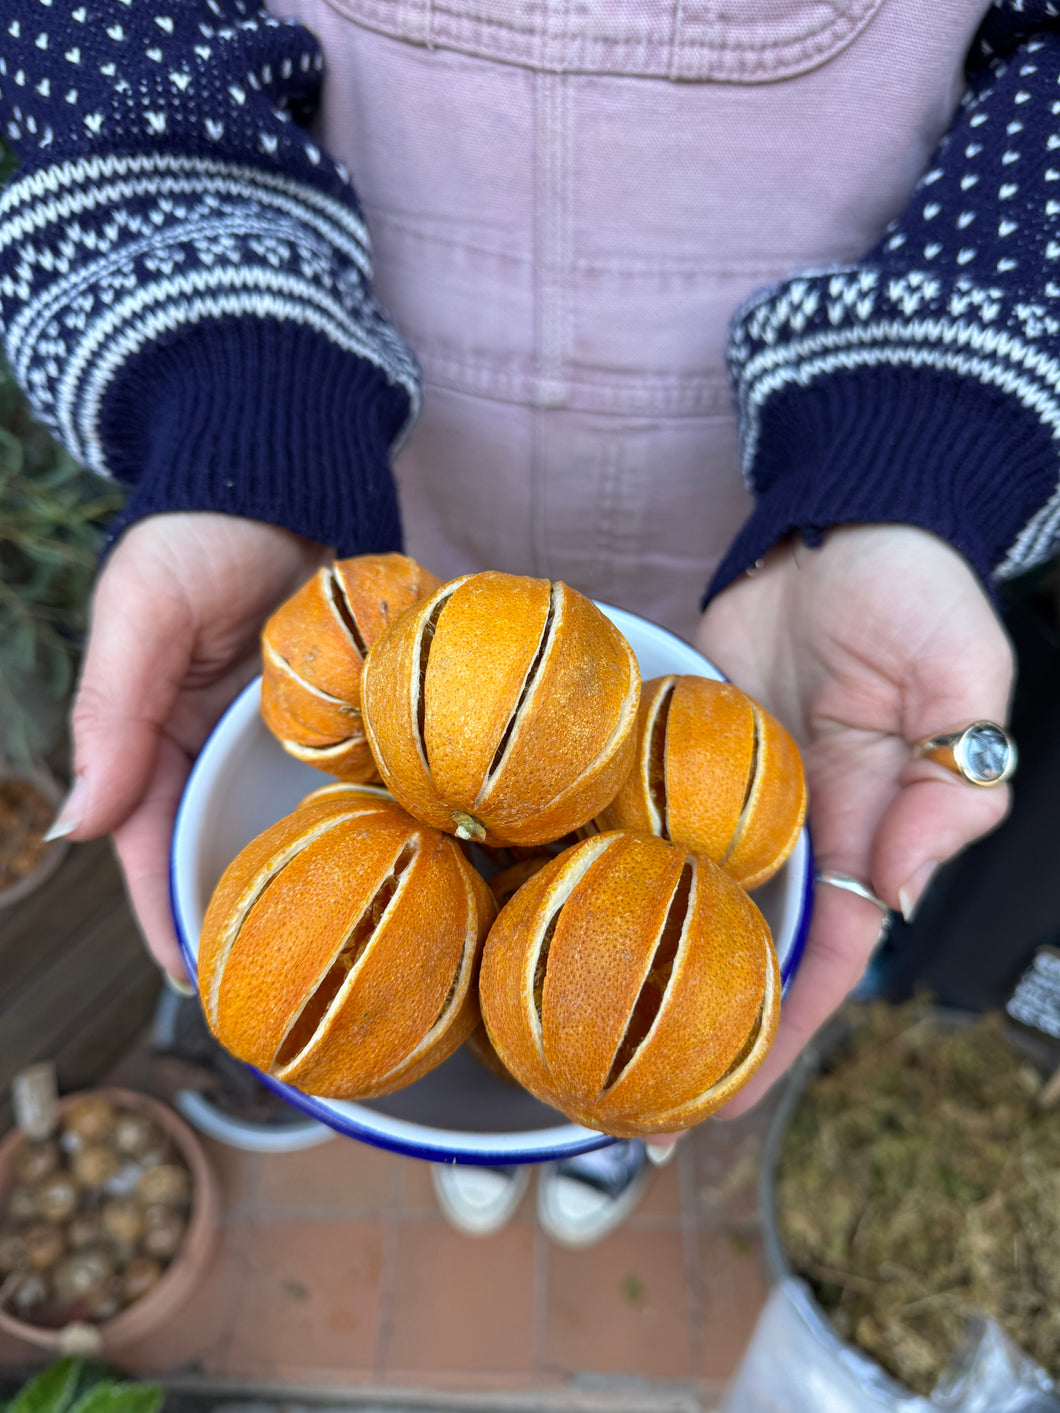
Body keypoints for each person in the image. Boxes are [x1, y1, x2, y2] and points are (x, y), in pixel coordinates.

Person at [0, 0, 1050, 1241]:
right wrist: (242, 405)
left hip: (772, 519)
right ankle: (514, 1095)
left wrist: (922, 456)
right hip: (374, 458)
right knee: (508, 920)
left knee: (608, 1027)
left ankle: (572, 1118)